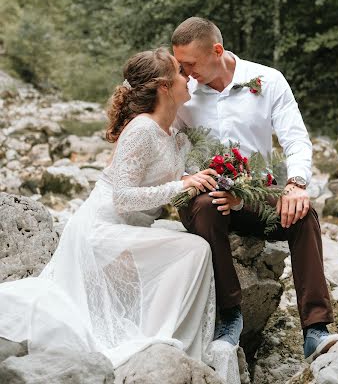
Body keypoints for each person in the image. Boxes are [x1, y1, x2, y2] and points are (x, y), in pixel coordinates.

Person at [0, 48, 241, 384]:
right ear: (164, 87)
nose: (188, 77)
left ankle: (156, 331)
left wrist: (234, 192)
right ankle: (156, 336)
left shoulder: (176, 136)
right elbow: (123, 198)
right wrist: (181, 184)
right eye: (180, 73)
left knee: (190, 243)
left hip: (133, 226)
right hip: (101, 228)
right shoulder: (141, 130)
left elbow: (191, 178)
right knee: (195, 250)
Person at [172, 17, 338, 363]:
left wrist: (295, 184)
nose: (184, 71)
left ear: (217, 51)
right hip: (203, 198)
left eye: (189, 63)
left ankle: (315, 329)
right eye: (179, 64)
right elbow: (162, 142)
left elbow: (296, 139)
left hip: (253, 196)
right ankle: (230, 316)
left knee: (304, 212)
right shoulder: (181, 91)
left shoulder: (268, 80)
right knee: (207, 205)